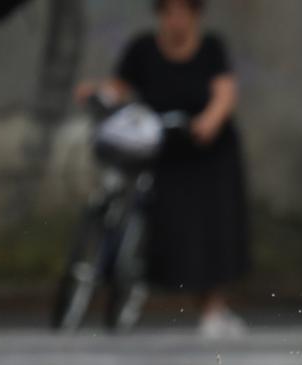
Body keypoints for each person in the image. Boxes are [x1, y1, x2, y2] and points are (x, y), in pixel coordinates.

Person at [80, 0, 252, 338]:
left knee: (216, 228)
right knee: (172, 225)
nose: (175, 20)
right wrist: (97, 94)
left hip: (209, 152)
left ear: (195, 15)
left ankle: (214, 308)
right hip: (166, 152)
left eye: (182, 13)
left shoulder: (210, 48)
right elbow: (117, 87)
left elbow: (224, 92)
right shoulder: (143, 49)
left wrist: (209, 121)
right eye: (169, 12)